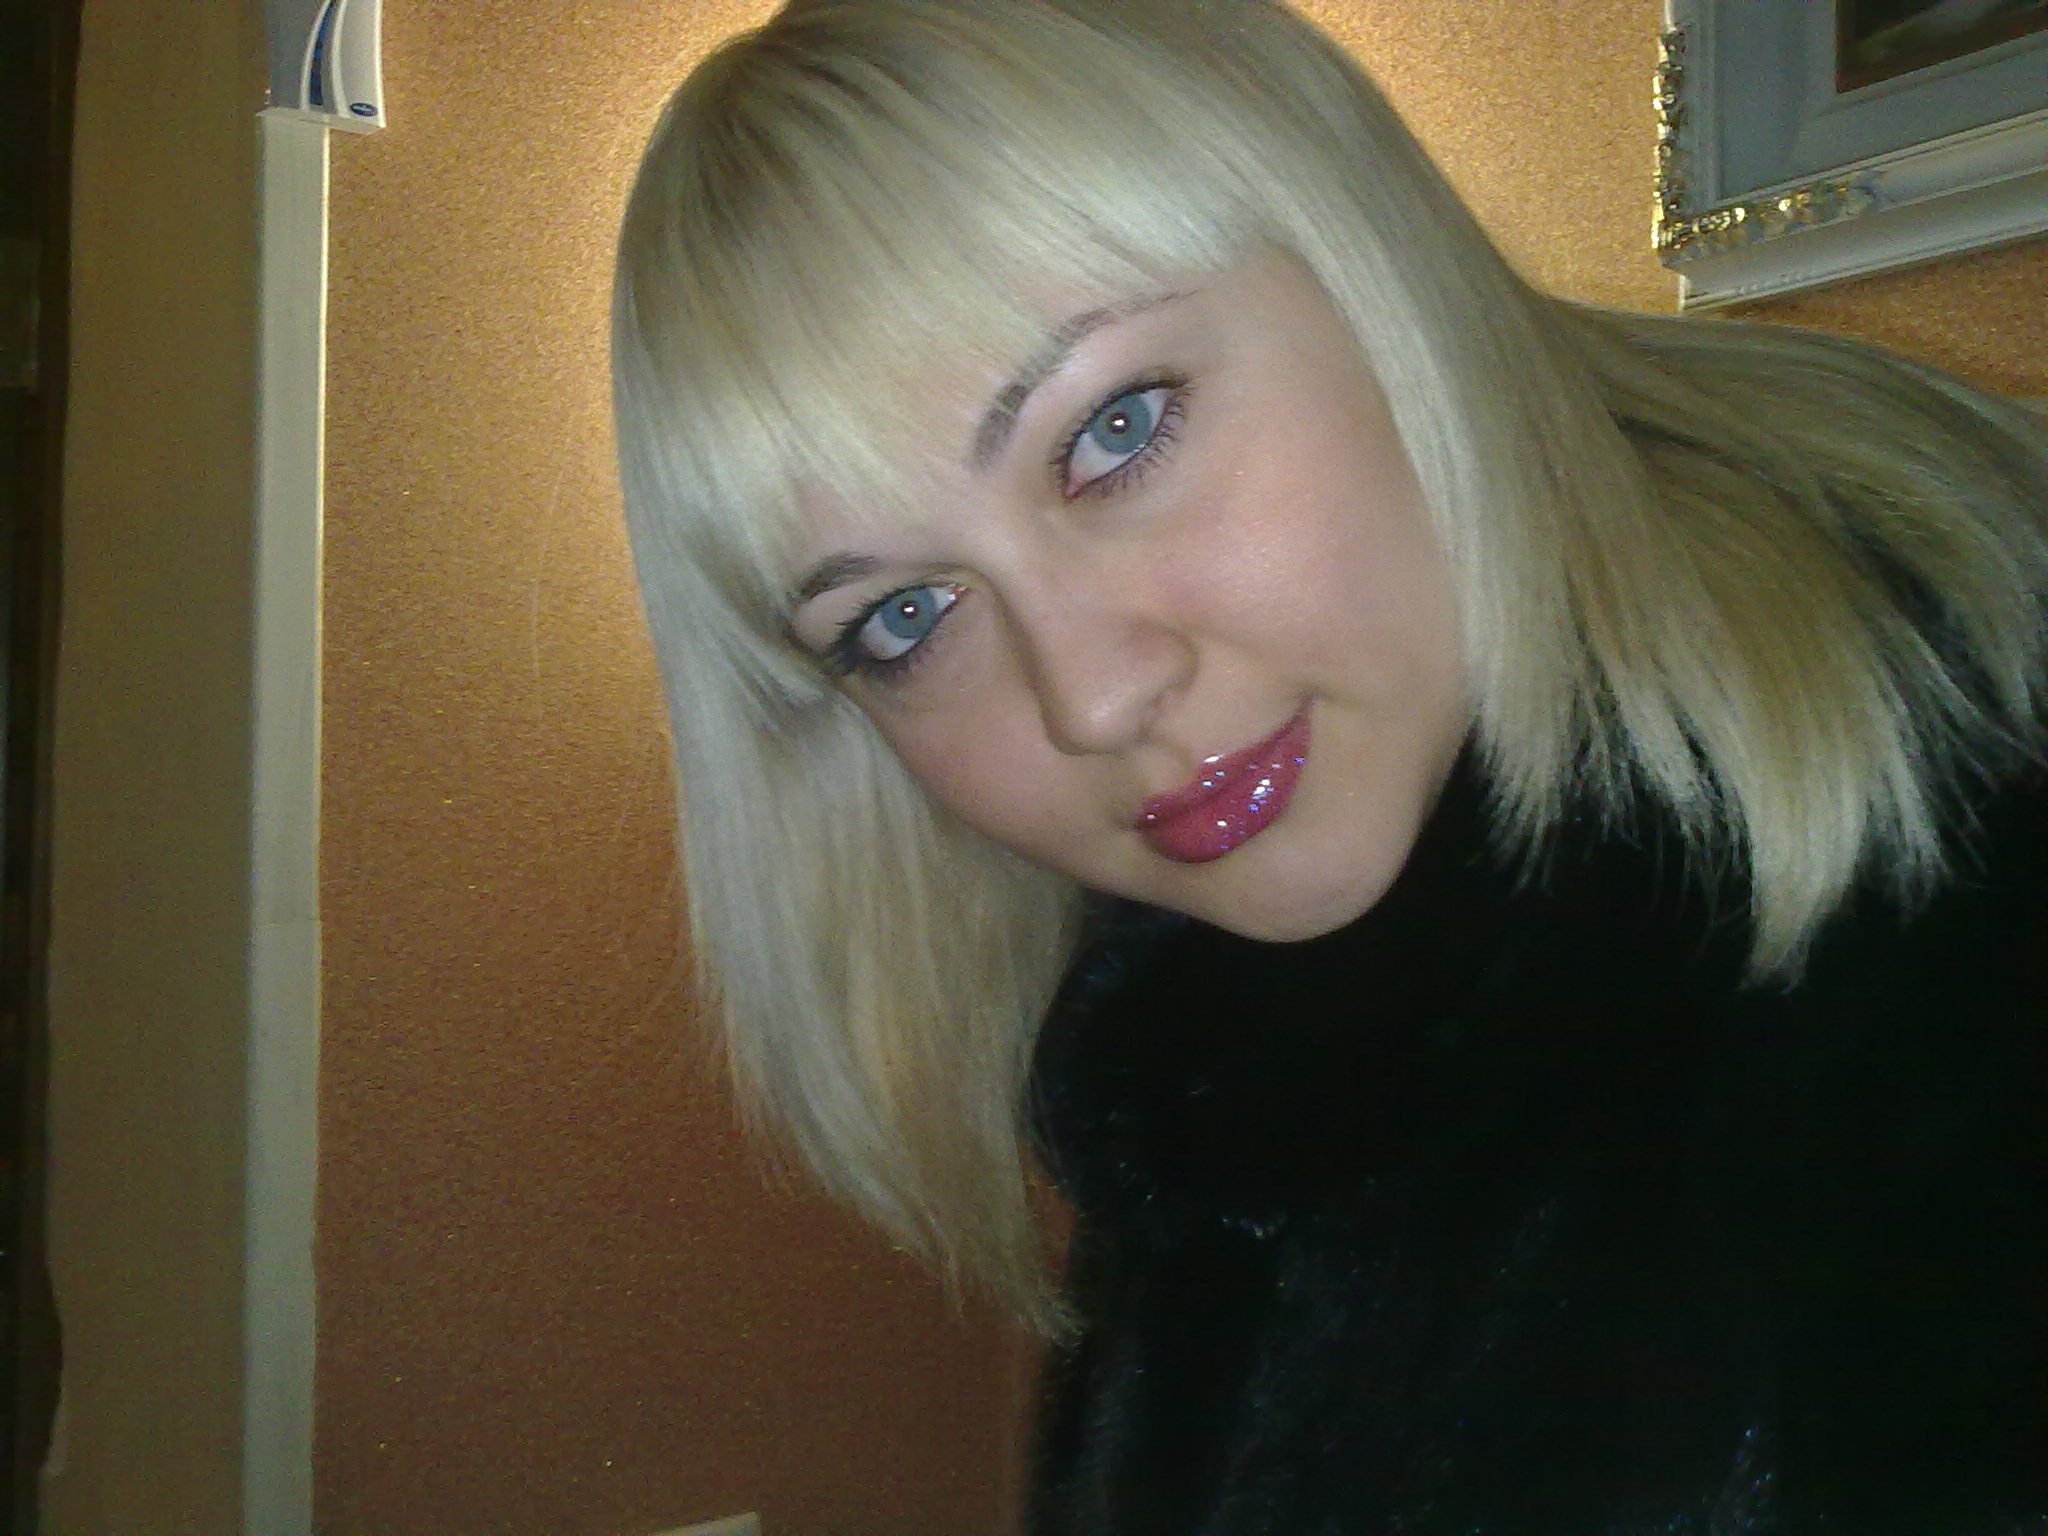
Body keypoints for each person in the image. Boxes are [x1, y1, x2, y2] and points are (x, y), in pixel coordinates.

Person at [610, 1, 2048, 1530]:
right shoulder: (1220, 1086)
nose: (1093, 699)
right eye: (903, 618)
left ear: (1376, 268)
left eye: (1116, 430)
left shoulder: (1964, 961)